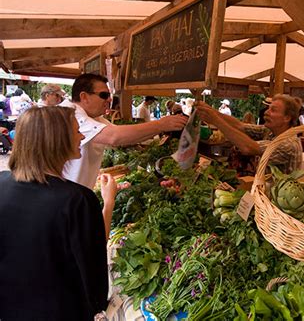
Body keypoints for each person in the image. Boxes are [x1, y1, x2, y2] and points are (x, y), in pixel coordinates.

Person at [0, 106, 115, 320]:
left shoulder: (2, 182)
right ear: (56, 140)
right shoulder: (76, 199)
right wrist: (108, 204)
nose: (82, 135)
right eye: (76, 130)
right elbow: (94, 269)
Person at [62, 74, 187, 189]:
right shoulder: (71, 114)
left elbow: (119, 135)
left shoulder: (92, 116)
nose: (110, 100)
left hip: (77, 192)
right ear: (84, 97)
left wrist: (163, 127)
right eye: (104, 95)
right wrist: (161, 124)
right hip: (65, 194)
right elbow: (114, 137)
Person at [196, 94, 302, 173]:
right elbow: (240, 126)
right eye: (268, 108)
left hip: (275, 201)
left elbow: (248, 147)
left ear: (287, 118)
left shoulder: (288, 143)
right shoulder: (269, 131)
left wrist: (215, 120)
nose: (266, 112)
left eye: (273, 110)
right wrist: (211, 111)